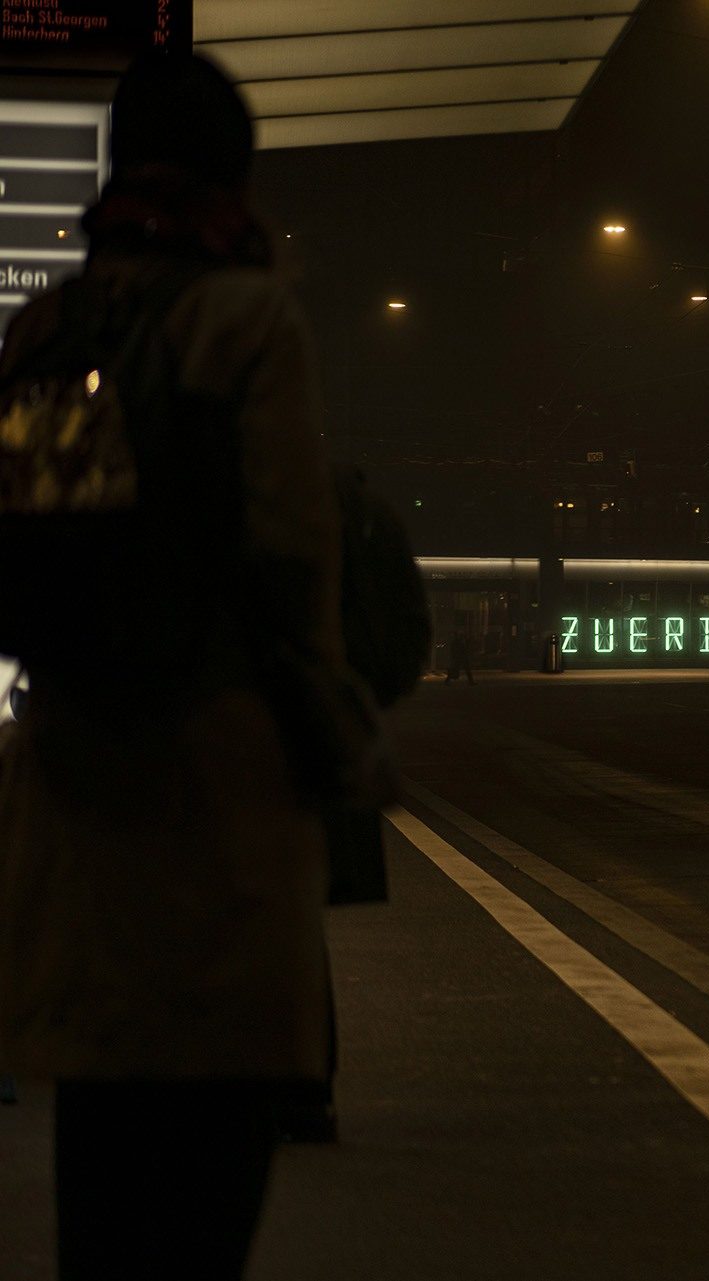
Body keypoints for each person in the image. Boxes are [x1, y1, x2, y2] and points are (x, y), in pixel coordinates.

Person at [0, 53, 337, 1279]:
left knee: (104, 1158)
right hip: (218, 777)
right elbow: (295, 554)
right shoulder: (246, 321)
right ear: (232, 175)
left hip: (82, 772)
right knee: (208, 1172)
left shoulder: (49, 328)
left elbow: (38, 556)